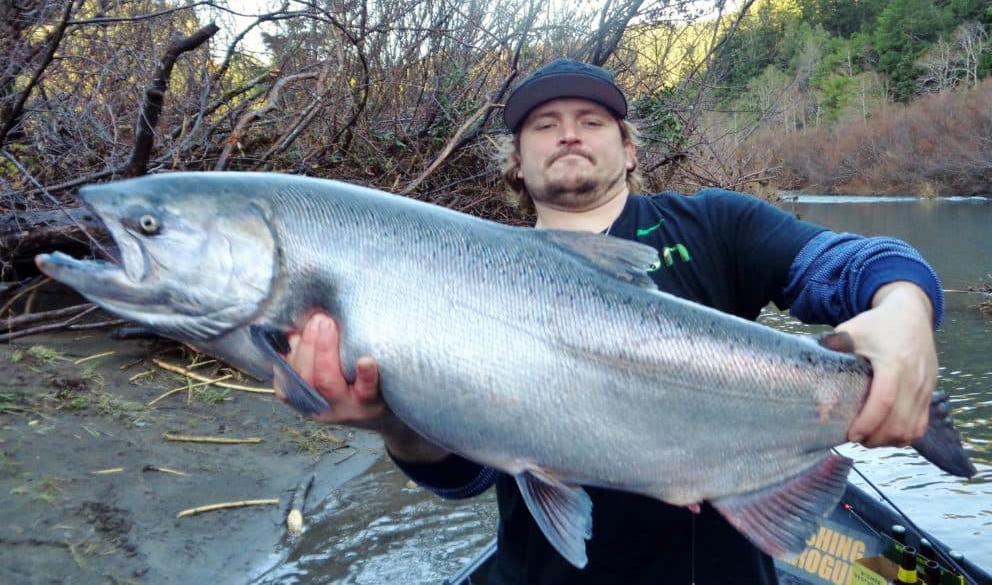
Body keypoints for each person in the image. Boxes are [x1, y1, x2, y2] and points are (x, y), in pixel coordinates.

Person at [275, 59, 943, 584]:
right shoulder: (462, 274)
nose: (568, 131)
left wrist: (906, 309)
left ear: (629, 150)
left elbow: (856, 263)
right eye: (543, 124)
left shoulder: (717, 224)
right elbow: (467, 476)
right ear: (516, 161)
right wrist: (392, 422)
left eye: (592, 120)